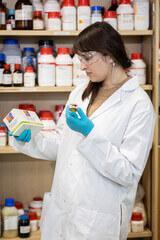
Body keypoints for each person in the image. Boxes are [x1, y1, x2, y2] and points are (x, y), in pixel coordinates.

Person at [12, 22, 155, 240]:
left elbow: (128, 172)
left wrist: (90, 135)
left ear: (110, 55)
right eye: (80, 59)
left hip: (97, 222)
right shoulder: (81, 93)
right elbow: (63, 142)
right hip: (63, 210)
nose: (83, 66)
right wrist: (32, 138)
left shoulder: (139, 104)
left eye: (87, 58)